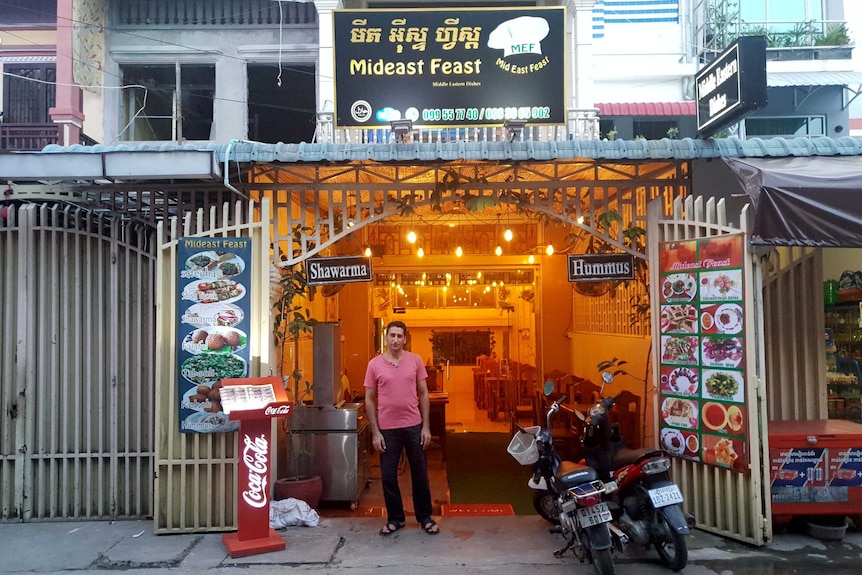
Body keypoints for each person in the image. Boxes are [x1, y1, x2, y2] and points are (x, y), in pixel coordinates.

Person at [363, 320, 439, 536]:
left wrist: (426, 427)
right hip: (387, 430)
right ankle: (396, 518)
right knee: (387, 476)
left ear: (405, 338)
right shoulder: (374, 364)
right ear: (386, 338)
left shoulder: (414, 361)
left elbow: (424, 393)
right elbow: (369, 399)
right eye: (392, 335)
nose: (395, 339)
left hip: (414, 426)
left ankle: (425, 517)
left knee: (420, 475)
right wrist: (375, 432)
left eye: (399, 335)